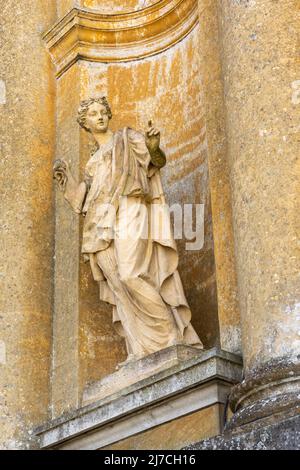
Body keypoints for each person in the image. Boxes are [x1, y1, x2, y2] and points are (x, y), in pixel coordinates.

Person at [53, 96, 203, 367]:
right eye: (92, 115)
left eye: (102, 112)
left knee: (131, 273)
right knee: (118, 284)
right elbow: (88, 201)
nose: (99, 117)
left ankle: (171, 335)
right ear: (85, 124)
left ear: (109, 115)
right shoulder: (93, 162)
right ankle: (139, 348)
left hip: (130, 207)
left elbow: (155, 161)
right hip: (100, 223)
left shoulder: (126, 138)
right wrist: (68, 186)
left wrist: (154, 147)